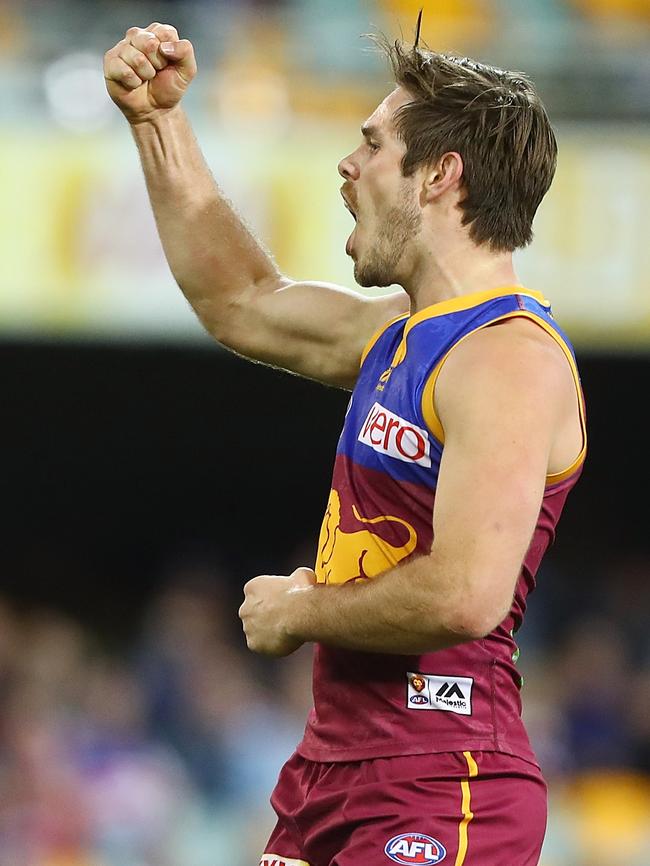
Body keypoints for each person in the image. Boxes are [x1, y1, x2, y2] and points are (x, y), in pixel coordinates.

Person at [104, 19, 586, 866]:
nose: (347, 164)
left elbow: (467, 595)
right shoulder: (399, 337)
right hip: (332, 773)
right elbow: (245, 301)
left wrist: (304, 610)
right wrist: (157, 123)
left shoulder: (509, 358)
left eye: (371, 144)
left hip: (445, 778)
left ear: (440, 176)